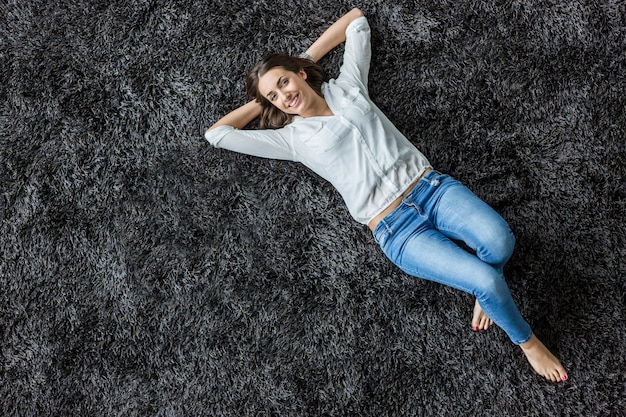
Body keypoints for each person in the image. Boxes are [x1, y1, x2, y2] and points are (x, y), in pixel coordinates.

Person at [205, 8, 568, 383]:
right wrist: (264, 101)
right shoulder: (290, 139)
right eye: (273, 97)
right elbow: (217, 134)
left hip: (433, 190)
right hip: (398, 230)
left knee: (501, 242)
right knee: (489, 282)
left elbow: (356, 20)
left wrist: (303, 61)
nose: (284, 96)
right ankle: (527, 342)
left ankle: (483, 286)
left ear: (299, 74)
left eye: (283, 83)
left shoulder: (348, 86)